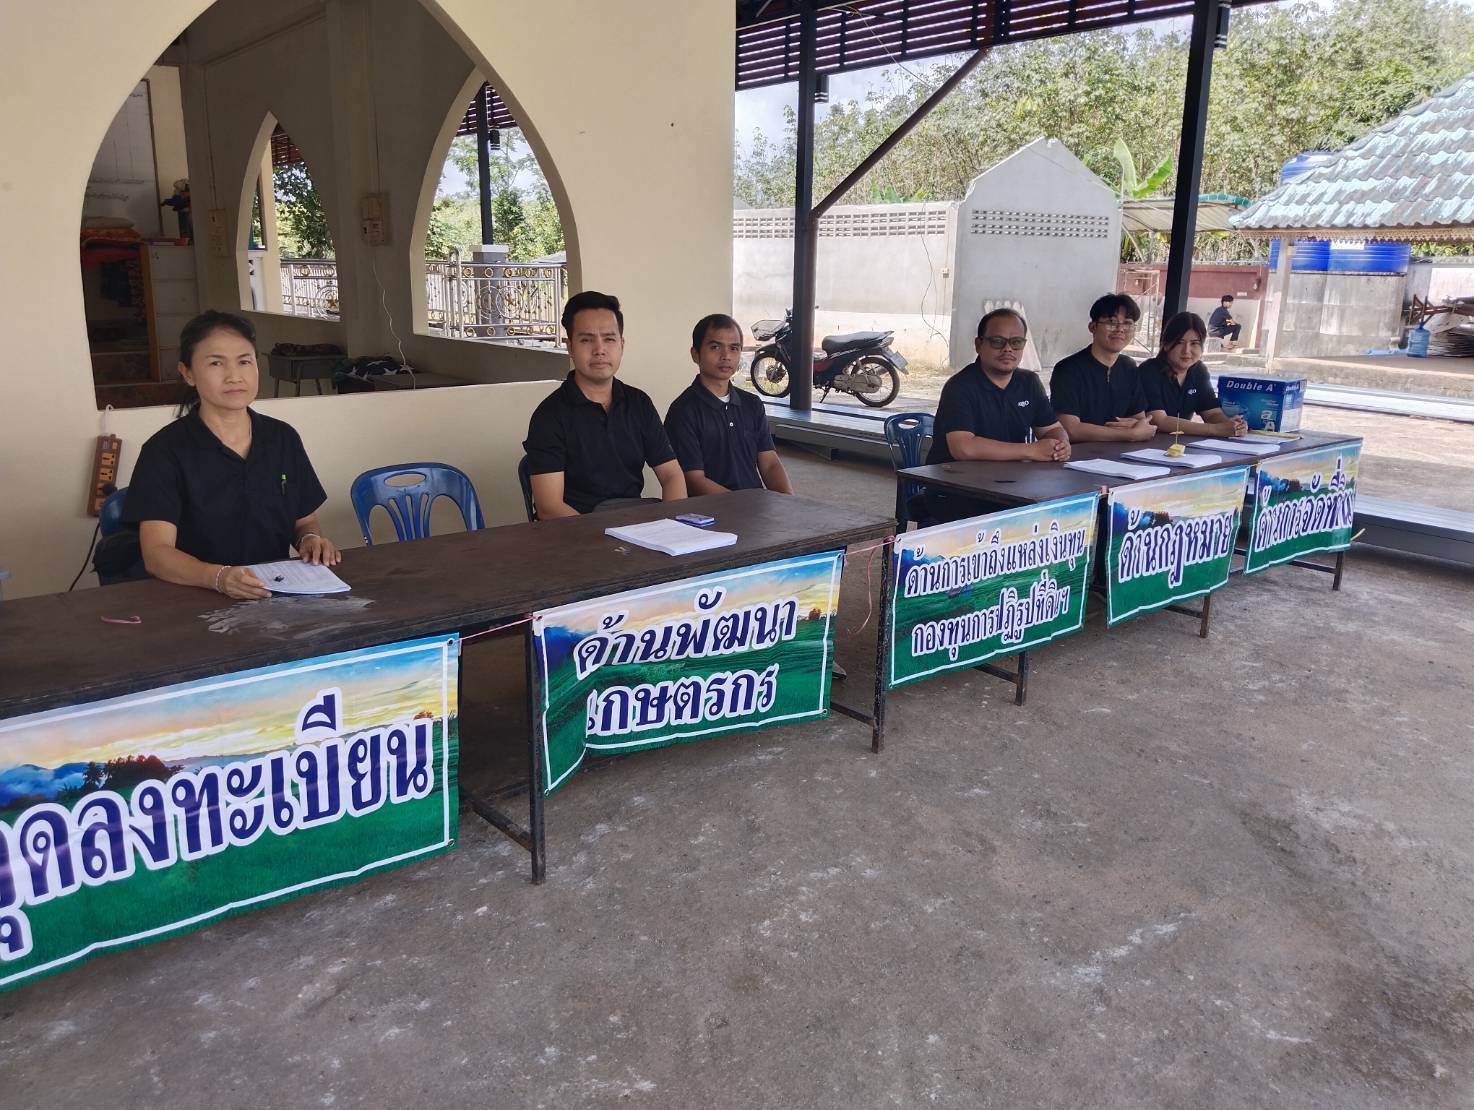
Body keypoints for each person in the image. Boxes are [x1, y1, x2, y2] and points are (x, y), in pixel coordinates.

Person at [122, 310, 339, 599]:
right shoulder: (164, 451)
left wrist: (311, 539)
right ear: (187, 373)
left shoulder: (282, 438)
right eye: (215, 363)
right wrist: (218, 577)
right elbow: (157, 554)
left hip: (271, 592)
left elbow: (303, 520)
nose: (234, 376)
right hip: (193, 598)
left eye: (244, 361)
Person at [524, 291, 687, 518]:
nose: (599, 349)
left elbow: (672, 475)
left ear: (621, 344)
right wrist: (604, 540)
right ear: (570, 347)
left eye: (609, 339)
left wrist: (670, 525)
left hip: (635, 527)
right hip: (576, 535)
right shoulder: (550, 415)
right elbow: (549, 506)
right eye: (586, 340)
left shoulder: (638, 403)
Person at [924, 308, 1071, 523]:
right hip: (957, 491)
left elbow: (1051, 428)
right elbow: (963, 447)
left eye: (1016, 342)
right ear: (978, 344)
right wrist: (1031, 450)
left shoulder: (1028, 382)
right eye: (997, 341)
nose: (1008, 349)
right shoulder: (960, 386)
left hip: (1011, 485)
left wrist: (1061, 445)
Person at [664, 314, 793, 496]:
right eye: (715, 347)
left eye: (734, 348)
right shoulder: (683, 411)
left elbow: (770, 463)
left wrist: (788, 502)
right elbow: (693, 480)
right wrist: (742, 507)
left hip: (755, 509)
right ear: (695, 354)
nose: (726, 356)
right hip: (710, 515)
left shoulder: (752, 404)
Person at [1048, 293, 1155, 443]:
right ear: (1093, 327)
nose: (1120, 329)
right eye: (1112, 322)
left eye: (1127, 323)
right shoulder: (1068, 370)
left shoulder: (1128, 367)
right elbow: (1070, 429)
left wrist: (1136, 426)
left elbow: (1139, 420)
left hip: (1123, 455)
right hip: (1078, 457)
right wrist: (1130, 434)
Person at [1140, 312, 1248, 438]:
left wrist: (1231, 425)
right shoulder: (1149, 371)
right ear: (1166, 344)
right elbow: (1159, 420)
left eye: (1194, 343)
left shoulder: (1198, 371)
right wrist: (1214, 429)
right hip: (1149, 446)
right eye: (1180, 342)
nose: (1187, 351)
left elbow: (1212, 413)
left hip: (1180, 446)